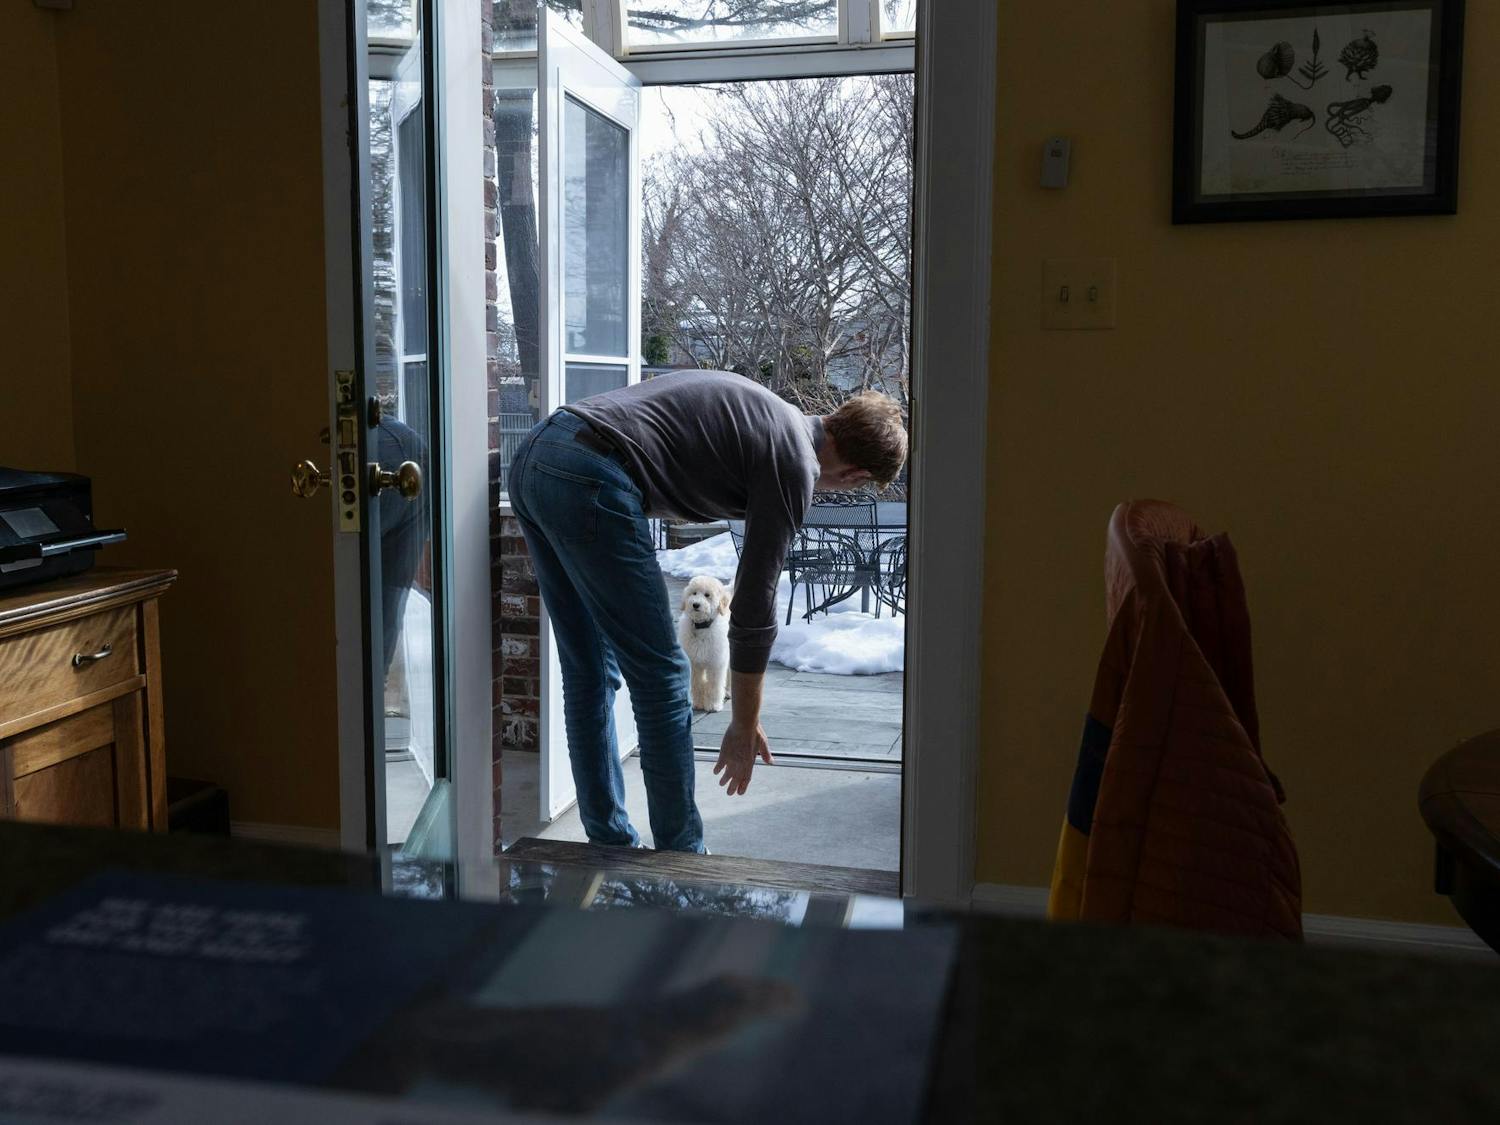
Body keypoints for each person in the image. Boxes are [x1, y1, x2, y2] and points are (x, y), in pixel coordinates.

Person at [507, 371, 908, 853]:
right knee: (662, 676)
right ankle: (682, 856)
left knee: (588, 670)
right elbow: (755, 609)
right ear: (858, 476)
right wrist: (742, 725)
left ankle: (609, 843)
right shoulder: (794, 460)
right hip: (591, 473)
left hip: (537, 454)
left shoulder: (774, 419)